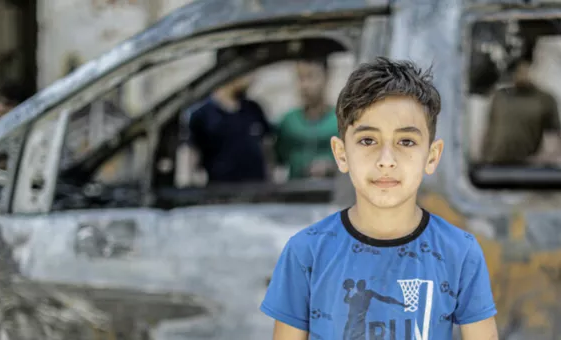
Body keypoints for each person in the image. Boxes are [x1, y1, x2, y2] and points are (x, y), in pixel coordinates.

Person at [260, 57, 498, 340]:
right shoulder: (306, 252)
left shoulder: (460, 252)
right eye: (368, 141)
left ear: (432, 157)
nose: (387, 160)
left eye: (406, 142)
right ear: (341, 154)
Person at [186, 73, 273, 184]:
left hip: (256, 189)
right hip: (220, 192)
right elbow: (193, 156)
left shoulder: (253, 109)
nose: (252, 79)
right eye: (247, 74)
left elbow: (267, 149)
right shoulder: (202, 115)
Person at [482, 59, 561, 165]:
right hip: (495, 163)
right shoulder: (500, 96)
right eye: (518, 70)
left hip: (526, 167)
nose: (522, 73)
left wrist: (543, 159)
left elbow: (554, 138)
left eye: (525, 69)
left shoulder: (544, 99)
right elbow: (489, 131)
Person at [275, 58, 339, 179]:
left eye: (311, 77)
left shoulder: (341, 121)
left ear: (327, 77)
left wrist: (331, 168)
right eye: (300, 78)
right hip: (295, 194)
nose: (304, 85)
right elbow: (277, 160)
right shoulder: (288, 122)